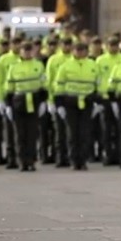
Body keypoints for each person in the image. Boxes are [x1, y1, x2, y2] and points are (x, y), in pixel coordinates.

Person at [54, 42, 100, 170]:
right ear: (73, 51)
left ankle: (83, 160)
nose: (80, 52)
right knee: (72, 134)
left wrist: (98, 102)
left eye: (83, 50)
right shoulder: (65, 66)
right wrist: (59, 104)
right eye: (78, 50)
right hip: (70, 103)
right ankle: (74, 160)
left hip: (87, 103)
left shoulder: (93, 65)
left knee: (85, 133)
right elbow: (59, 85)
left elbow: (98, 84)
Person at [4, 41, 47, 171]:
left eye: (30, 50)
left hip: (34, 100)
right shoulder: (14, 67)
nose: (27, 53)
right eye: (25, 50)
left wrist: (44, 102)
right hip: (19, 101)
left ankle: (31, 161)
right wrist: (8, 106)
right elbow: (9, 87)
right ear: (21, 51)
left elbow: (44, 84)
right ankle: (22, 161)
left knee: (32, 134)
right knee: (20, 134)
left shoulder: (38, 65)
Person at [0, 36, 23, 169]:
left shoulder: (26, 59)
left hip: (23, 98)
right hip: (9, 98)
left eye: (19, 43)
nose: (17, 46)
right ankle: (11, 159)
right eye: (15, 43)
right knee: (9, 131)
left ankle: (23, 157)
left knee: (23, 131)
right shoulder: (4, 60)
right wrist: (0, 100)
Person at [96, 37, 121, 166]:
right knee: (106, 130)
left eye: (115, 45)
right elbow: (96, 79)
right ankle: (107, 155)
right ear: (107, 46)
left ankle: (119, 155)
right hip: (105, 98)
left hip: (119, 98)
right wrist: (97, 99)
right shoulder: (100, 60)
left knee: (120, 129)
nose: (113, 47)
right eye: (111, 45)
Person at [46, 37, 74, 167]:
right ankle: (60, 157)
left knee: (71, 131)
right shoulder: (53, 60)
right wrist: (50, 100)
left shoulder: (74, 59)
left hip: (71, 99)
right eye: (65, 44)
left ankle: (70, 157)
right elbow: (49, 81)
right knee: (59, 131)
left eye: (69, 44)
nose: (67, 46)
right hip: (58, 98)